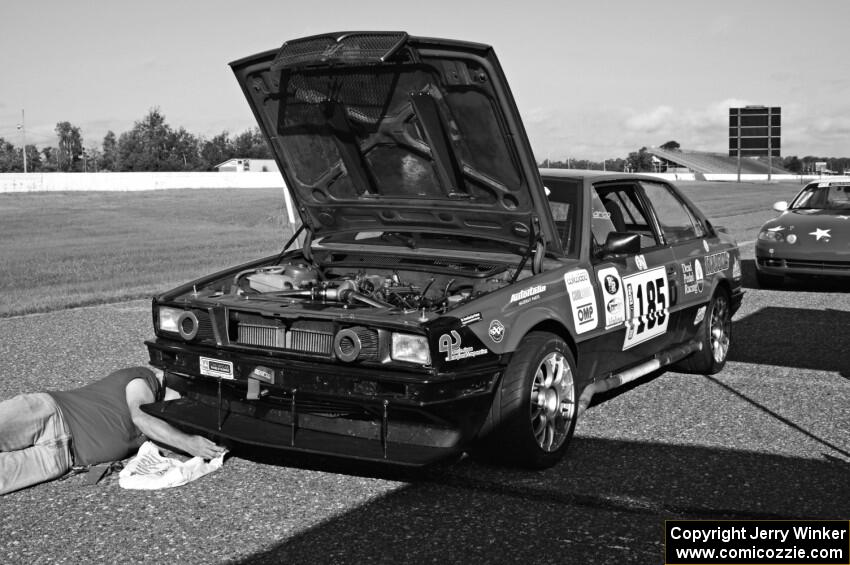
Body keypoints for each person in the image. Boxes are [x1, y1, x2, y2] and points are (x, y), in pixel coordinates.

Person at [0, 366, 225, 495]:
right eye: (187, 397)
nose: (186, 405)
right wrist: (188, 442)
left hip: (61, 458)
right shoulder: (143, 379)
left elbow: (161, 437)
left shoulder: (159, 425)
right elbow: (140, 416)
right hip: (48, 414)